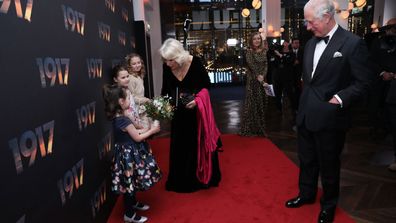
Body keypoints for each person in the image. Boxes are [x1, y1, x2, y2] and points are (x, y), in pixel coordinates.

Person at [285, 1, 373, 223]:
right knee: (306, 160)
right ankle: (306, 194)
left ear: (326, 17)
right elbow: (310, 78)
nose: (307, 27)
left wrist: (340, 98)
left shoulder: (353, 44)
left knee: (329, 165)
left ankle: (329, 205)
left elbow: (363, 82)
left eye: (310, 21)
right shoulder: (309, 43)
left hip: (331, 117)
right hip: (305, 112)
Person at [159, 38, 222, 193]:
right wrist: (164, 105)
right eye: (165, 60)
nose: (168, 64)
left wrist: (197, 100)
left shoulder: (195, 63)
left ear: (179, 56)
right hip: (178, 114)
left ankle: (199, 178)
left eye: (171, 60)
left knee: (196, 144)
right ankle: (181, 180)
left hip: (197, 114)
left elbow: (207, 85)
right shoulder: (167, 67)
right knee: (180, 145)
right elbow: (165, 91)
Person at [102, 84, 162, 223]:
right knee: (129, 184)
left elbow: (134, 133)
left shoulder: (119, 118)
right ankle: (129, 214)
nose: (130, 101)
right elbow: (137, 137)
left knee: (132, 181)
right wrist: (152, 131)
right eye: (128, 98)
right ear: (121, 102)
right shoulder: (123, 120)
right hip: (129, 156)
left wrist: (146, 129)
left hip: (126, 154)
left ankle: (133, 203)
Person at [371, 18, 396, 171]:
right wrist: (382, 73)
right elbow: (371, 61)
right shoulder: (378, 42)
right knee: (381, 112)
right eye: (390, 28)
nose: (392, 31)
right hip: (381, 84)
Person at [239, 32, 268, 137]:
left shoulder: (264, 51)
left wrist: (263, 76)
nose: (257, 40)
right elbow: (252, 66)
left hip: (262, 80)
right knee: (253, 105)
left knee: (262, 103)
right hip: (253, 82)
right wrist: (259, 77)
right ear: (251, 41)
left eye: (258, 39)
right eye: (255, 39)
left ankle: (260, 128)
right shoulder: (249, 52)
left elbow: (266, 65)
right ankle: (252, 128)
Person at [112, 64, 143, 129]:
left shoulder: (127, 89)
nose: (127, 79)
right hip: (128, 126)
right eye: (123, 78)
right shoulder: (118, 93)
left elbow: (132, 108)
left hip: (135, 122)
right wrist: (137, 125)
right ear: (115, 79)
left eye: (127, 76)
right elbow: (126, 113)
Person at [125, 53, 151, 128]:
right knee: (143, 129)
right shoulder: (130, 78)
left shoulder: (139, 76)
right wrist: (145, 100)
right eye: (134, 64)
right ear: (129, 65)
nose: (137, 65)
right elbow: (131, 97)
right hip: (136, 109)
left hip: (141, 107)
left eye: (138, 63)